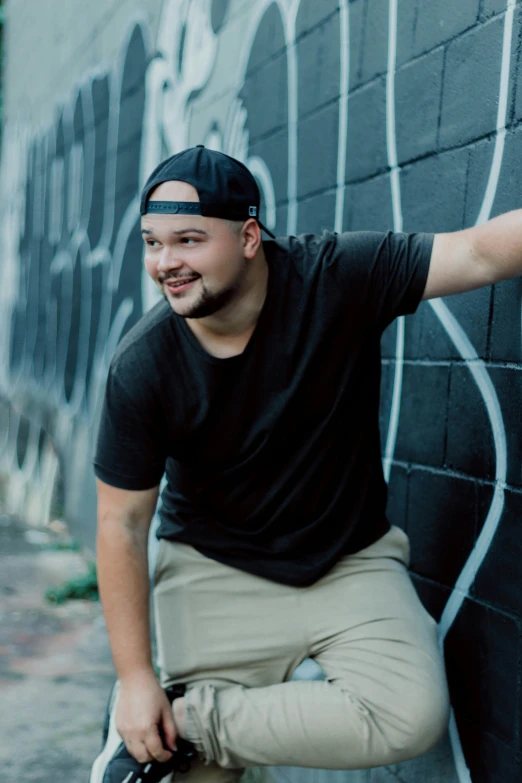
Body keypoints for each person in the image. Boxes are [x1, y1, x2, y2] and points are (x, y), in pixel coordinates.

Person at [89, 145, 518, 783]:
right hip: (214, 569)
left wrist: (178, 716)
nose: (166, 264)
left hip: (350, 558)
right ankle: (168, 732)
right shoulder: (144, 365)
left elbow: (478, 252)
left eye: (188, 240)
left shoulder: (336, 274)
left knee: (410, 714)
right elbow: (121, 524)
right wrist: (134, 680)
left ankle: (189, 723)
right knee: (192, 777)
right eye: (152, 243)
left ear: (249, 237)